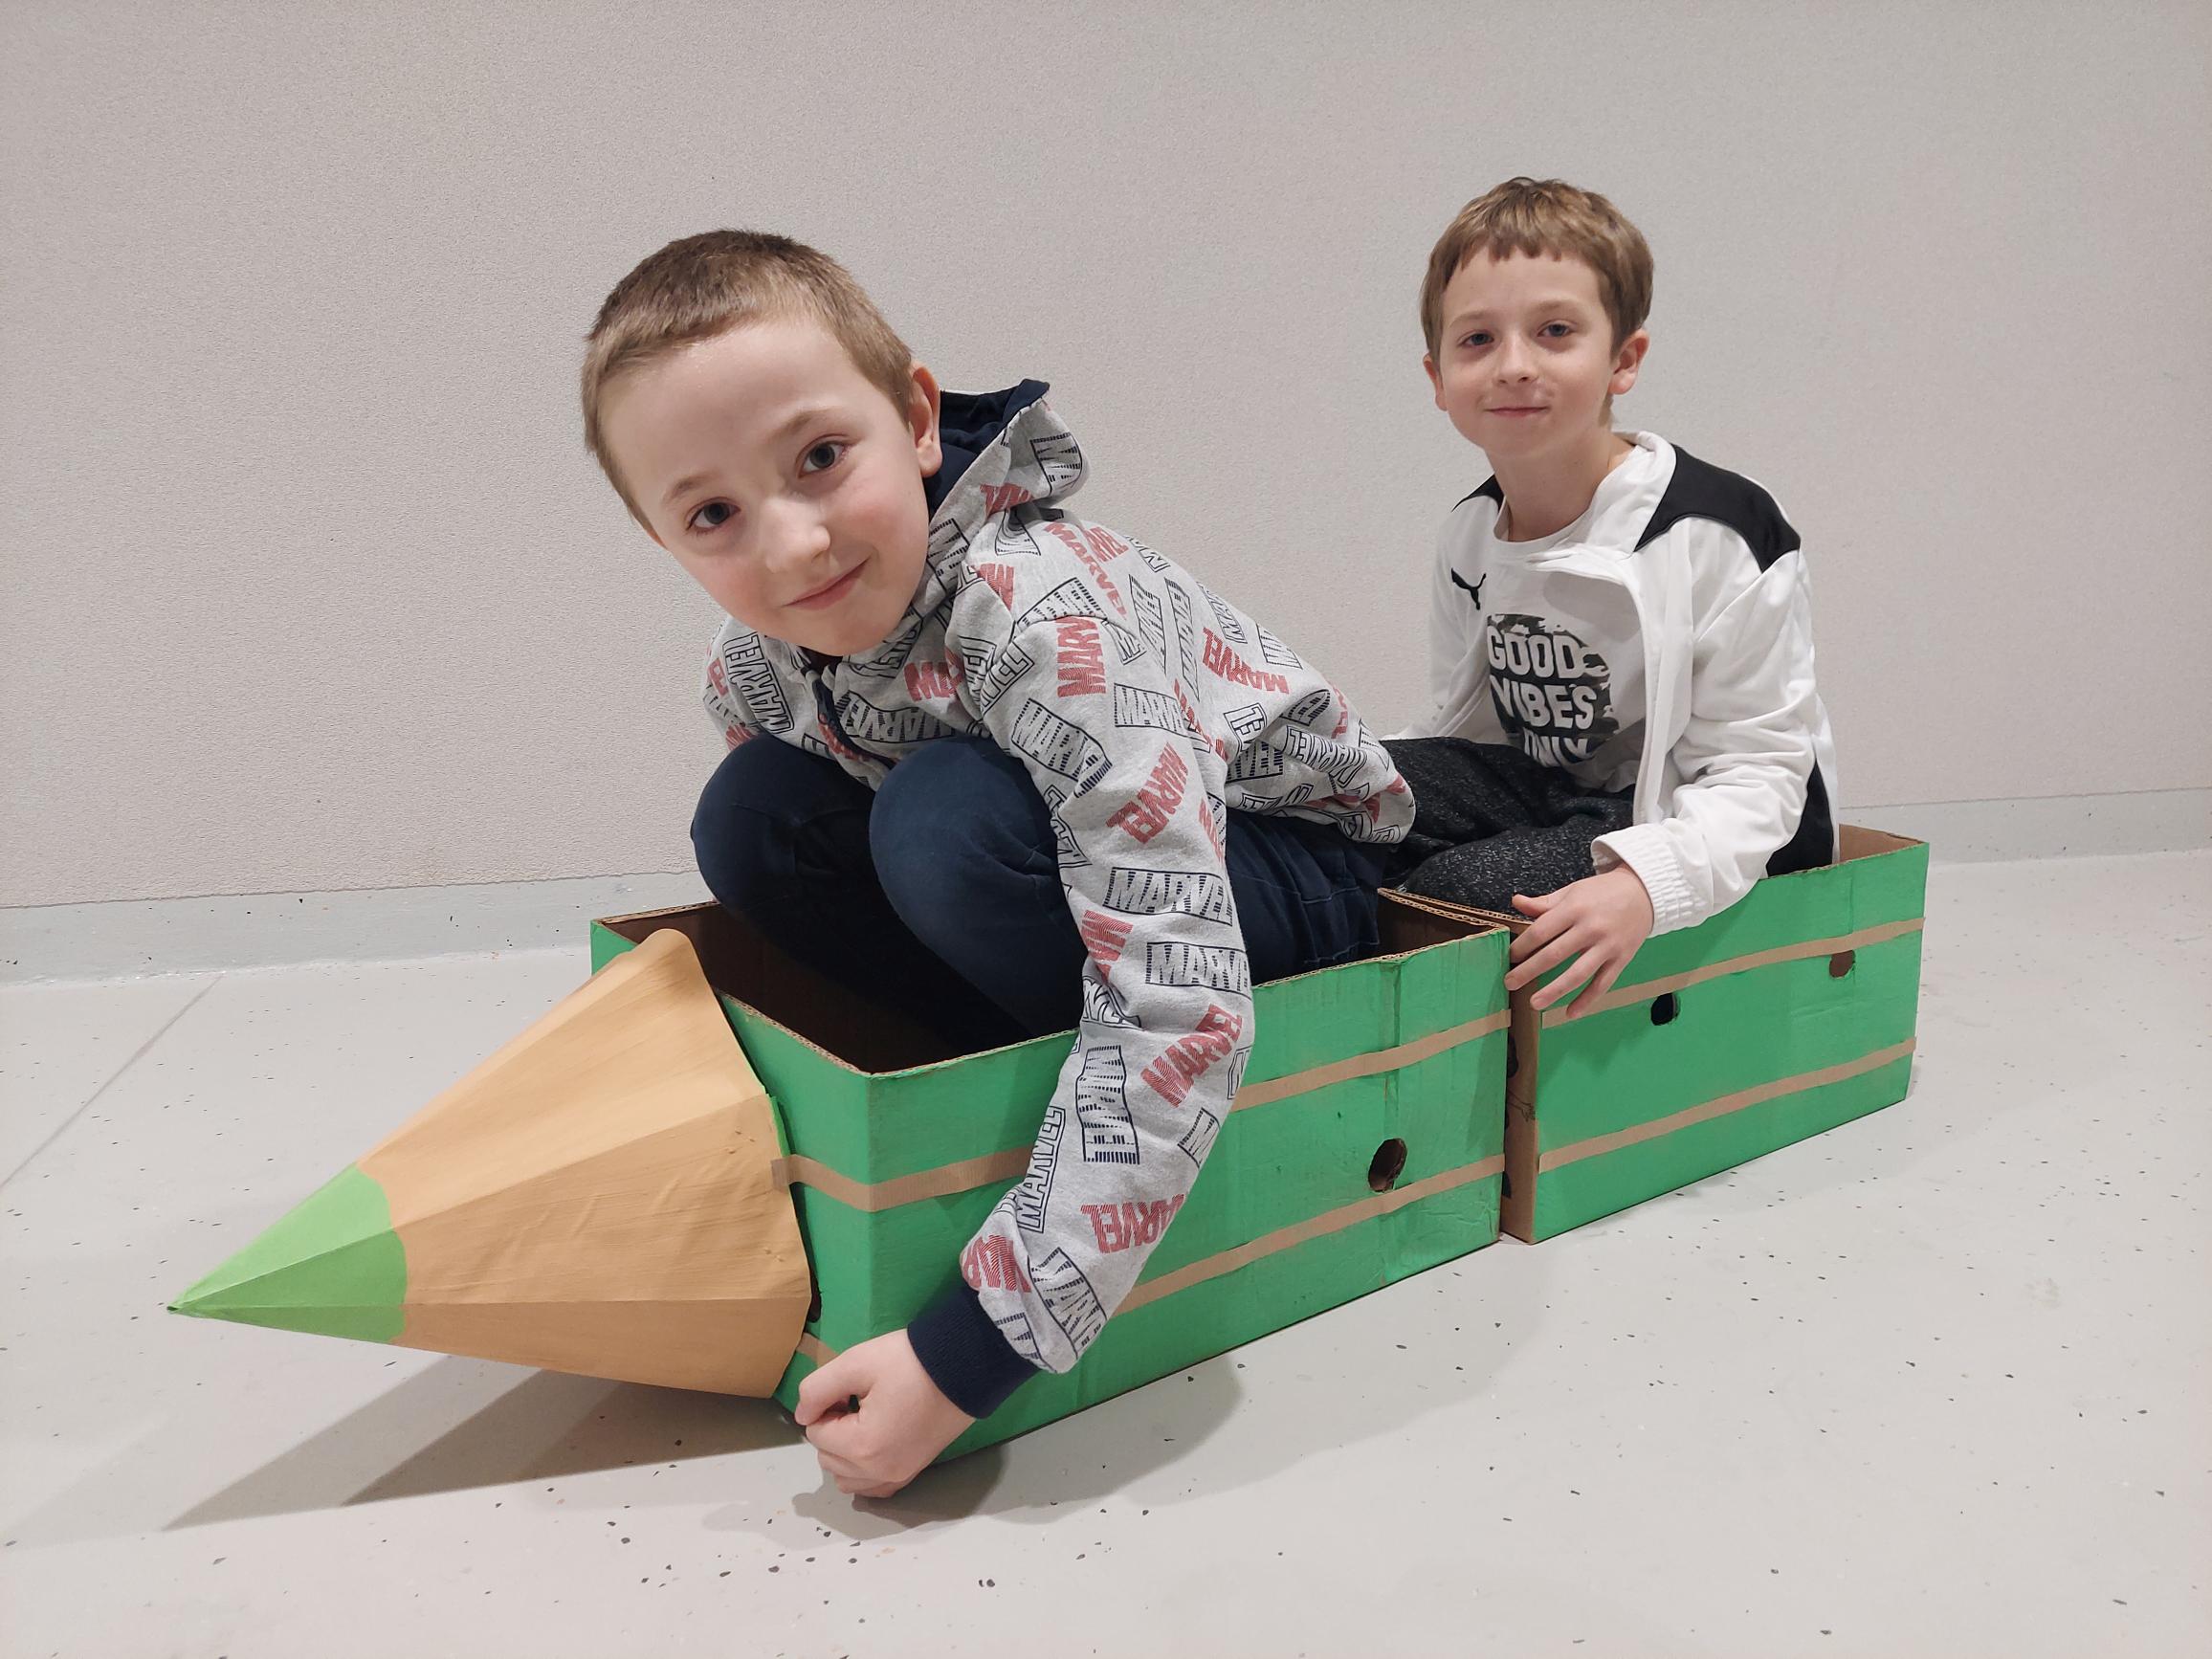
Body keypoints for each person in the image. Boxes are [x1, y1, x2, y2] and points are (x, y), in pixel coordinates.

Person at [579, 232, 1412, 1496]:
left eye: (820, 458)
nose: (794, 545)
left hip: (1293, 881)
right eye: (713, 514)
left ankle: (1060, 1109)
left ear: (917, 419)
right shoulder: (758, 662)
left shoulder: (1043, 616)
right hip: (1066, 890)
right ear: (663, 540)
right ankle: (1003, 1065)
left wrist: (970, 1354)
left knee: (941, 821)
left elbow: (1180, 1000)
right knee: (752, 814)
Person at [1387, 178, 1838, 1018]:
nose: (1514, 364)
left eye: (1555, 332)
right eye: (1477, 339)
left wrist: (1645, 886)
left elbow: (1760, 771)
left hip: (1690, 819)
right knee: (1351, 791)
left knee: (1457, 894)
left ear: (1623, 360)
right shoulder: (1469, 533)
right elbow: (1464, 725)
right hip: (1551, 795)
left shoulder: (1714, 530)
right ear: (1438, 377)